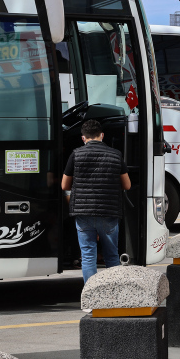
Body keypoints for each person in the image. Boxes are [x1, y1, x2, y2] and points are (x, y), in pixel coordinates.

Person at [62, 119, 131, 285]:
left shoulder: (76, 154)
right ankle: (113, 296)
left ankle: (91, 297)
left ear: (83, 138)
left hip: (83, 213)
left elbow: (65, 185)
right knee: (112, 255)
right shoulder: (116, 155)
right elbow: (127, 185)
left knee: (87, 256)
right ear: (102, 135)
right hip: (109, 212)